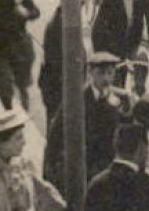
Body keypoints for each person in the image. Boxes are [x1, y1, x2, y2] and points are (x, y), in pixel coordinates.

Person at [42, 52, 129, 189]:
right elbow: (55, 135)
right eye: (101, 73)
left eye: (110, 73)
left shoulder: (121, 98)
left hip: (108, 169)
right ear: (90, 72)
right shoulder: (76, 99)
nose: (106, 78)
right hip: (83, 170)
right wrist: (48, 174)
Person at [91, 0, 149, 95]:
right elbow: (98, 29)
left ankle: (138, 92)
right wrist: (101, 57)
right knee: (117, 86)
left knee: (142, 59)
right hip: (113, 46)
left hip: (136, 42)